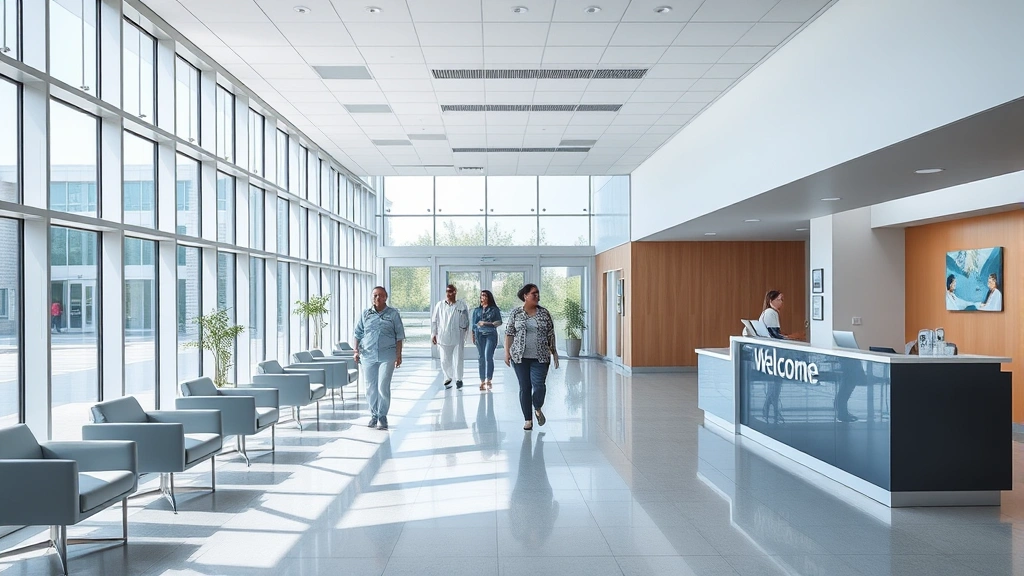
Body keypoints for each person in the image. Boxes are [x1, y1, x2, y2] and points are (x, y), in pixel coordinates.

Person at [504, 283, 558, 431]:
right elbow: (509, 333)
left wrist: (554, 353)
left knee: (539, 386)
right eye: (534, 293)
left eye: (538, 293)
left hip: (540, 357)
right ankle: (528, 420)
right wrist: (507, 352)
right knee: (525, 387)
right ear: (525, 296)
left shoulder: (544, 313)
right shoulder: (516, 313)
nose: (537, 296)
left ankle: (538, 408)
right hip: (520, 357)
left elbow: (550, 334)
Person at [353, 286, 405, 431]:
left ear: (385, 297)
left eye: (380, 295)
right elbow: (358, 334)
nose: (377, 298)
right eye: (374, 295)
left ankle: (382, 416)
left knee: (383, 386)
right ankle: (373, 415)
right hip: (367, 356)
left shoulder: (393, 314)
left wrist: (398, 355)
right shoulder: (365, 314)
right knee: (370, 388)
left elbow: (399, 336)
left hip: (387, 356)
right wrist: (356, 351)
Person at [432, 284, 470, 389]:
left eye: (452, 291)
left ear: (455, 292)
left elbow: (466, 322)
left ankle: (459, 379)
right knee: (444, 359)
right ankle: (448, 377)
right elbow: (434, 321)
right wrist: (433, 334)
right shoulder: (440, 305)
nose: (449, 293)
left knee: (458, 359)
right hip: (443, 336)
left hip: (458, 336)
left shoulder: (461, 305)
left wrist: (465, 333)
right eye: (448, 291)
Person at [471, 289, 502, 391]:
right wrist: (473, 336)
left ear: (489, 297)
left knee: (488, 356)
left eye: (484, 296)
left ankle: (489, 380)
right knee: (481, 357)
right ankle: (482, 381)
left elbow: (499, 322)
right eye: (481, 296)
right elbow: (474, 324)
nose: (482, 298)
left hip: (490, 335)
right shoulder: (477, 310)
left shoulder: (494, 310)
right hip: (479, 335)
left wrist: (486, 323)